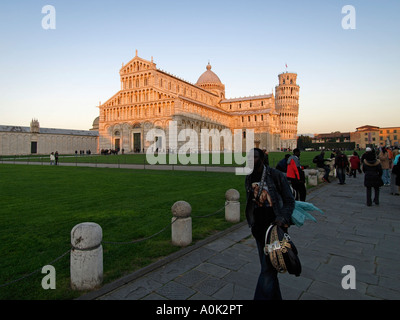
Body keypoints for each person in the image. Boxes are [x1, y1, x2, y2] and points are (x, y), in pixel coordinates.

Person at [245, 148, 295, 300]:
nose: (250, 160)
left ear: (261, 159)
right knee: (269, 267)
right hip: (259, 229)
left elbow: (289, 201)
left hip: (275, 228)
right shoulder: (249, 177)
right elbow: (251, 202)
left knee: (268, 269)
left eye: (254, 157)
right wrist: (252, 223)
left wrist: (283, 219)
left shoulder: (275, 175)